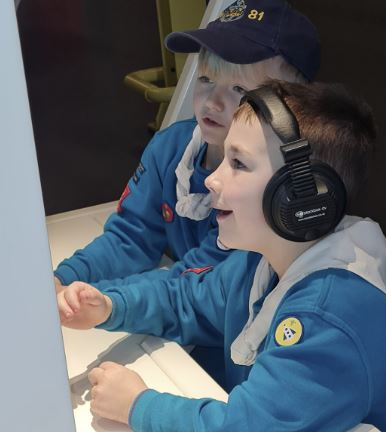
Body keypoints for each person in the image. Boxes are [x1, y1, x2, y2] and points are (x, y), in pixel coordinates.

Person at [57, 80, 386, 432]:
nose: (212, 178)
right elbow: (186, 298)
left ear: (300, 198)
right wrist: (108, 305)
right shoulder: (260, 261)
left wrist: (138, 405)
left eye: (238, 164)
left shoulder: (329, 313)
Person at [53, 0, 320, 292]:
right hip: (173, 313)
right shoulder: (170, 147)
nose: (212, 101)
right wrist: (65, 278)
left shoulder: (271, 181)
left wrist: (111, 302)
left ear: (287, 108)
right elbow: (131, 237)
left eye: (239, 89)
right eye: (206, 79)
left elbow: (204, 279)